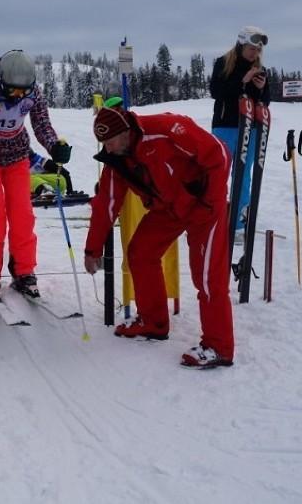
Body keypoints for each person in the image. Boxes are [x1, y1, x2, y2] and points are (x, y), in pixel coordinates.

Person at [83, 106, 235, 369]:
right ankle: (153, 322)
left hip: (204, 206)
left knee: (207, 277)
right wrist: (92, 250)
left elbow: (219, 153)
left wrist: (208, 201)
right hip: (168, 209)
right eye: (103, 144)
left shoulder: (166, 130)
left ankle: (218, 346)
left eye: (109, 142)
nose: (107, 149)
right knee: (140, 253)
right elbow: (106, 204)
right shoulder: (118, 159)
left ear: (126, 133)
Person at [0, 50, 71, 300]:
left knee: (23, 215)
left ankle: (24, 271)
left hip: (17, 159)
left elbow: (42, 124)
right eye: (12, 91)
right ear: (2, 81)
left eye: (22, 92)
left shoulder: (33, 93)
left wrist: (54, 146)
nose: (18, 96)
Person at [209, 25, 270, 233]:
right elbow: (216, 92)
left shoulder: (260, 69)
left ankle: (238, 224)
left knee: (243, 175)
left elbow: (265, 101)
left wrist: (260, 90)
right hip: (225, 126)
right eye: (251, 49)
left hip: (250, 128)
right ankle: (212, 217)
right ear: (241, 45)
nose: (254, 54)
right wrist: (241, 81)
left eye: (258, 50)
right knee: (218, 172)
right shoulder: (224, 63)